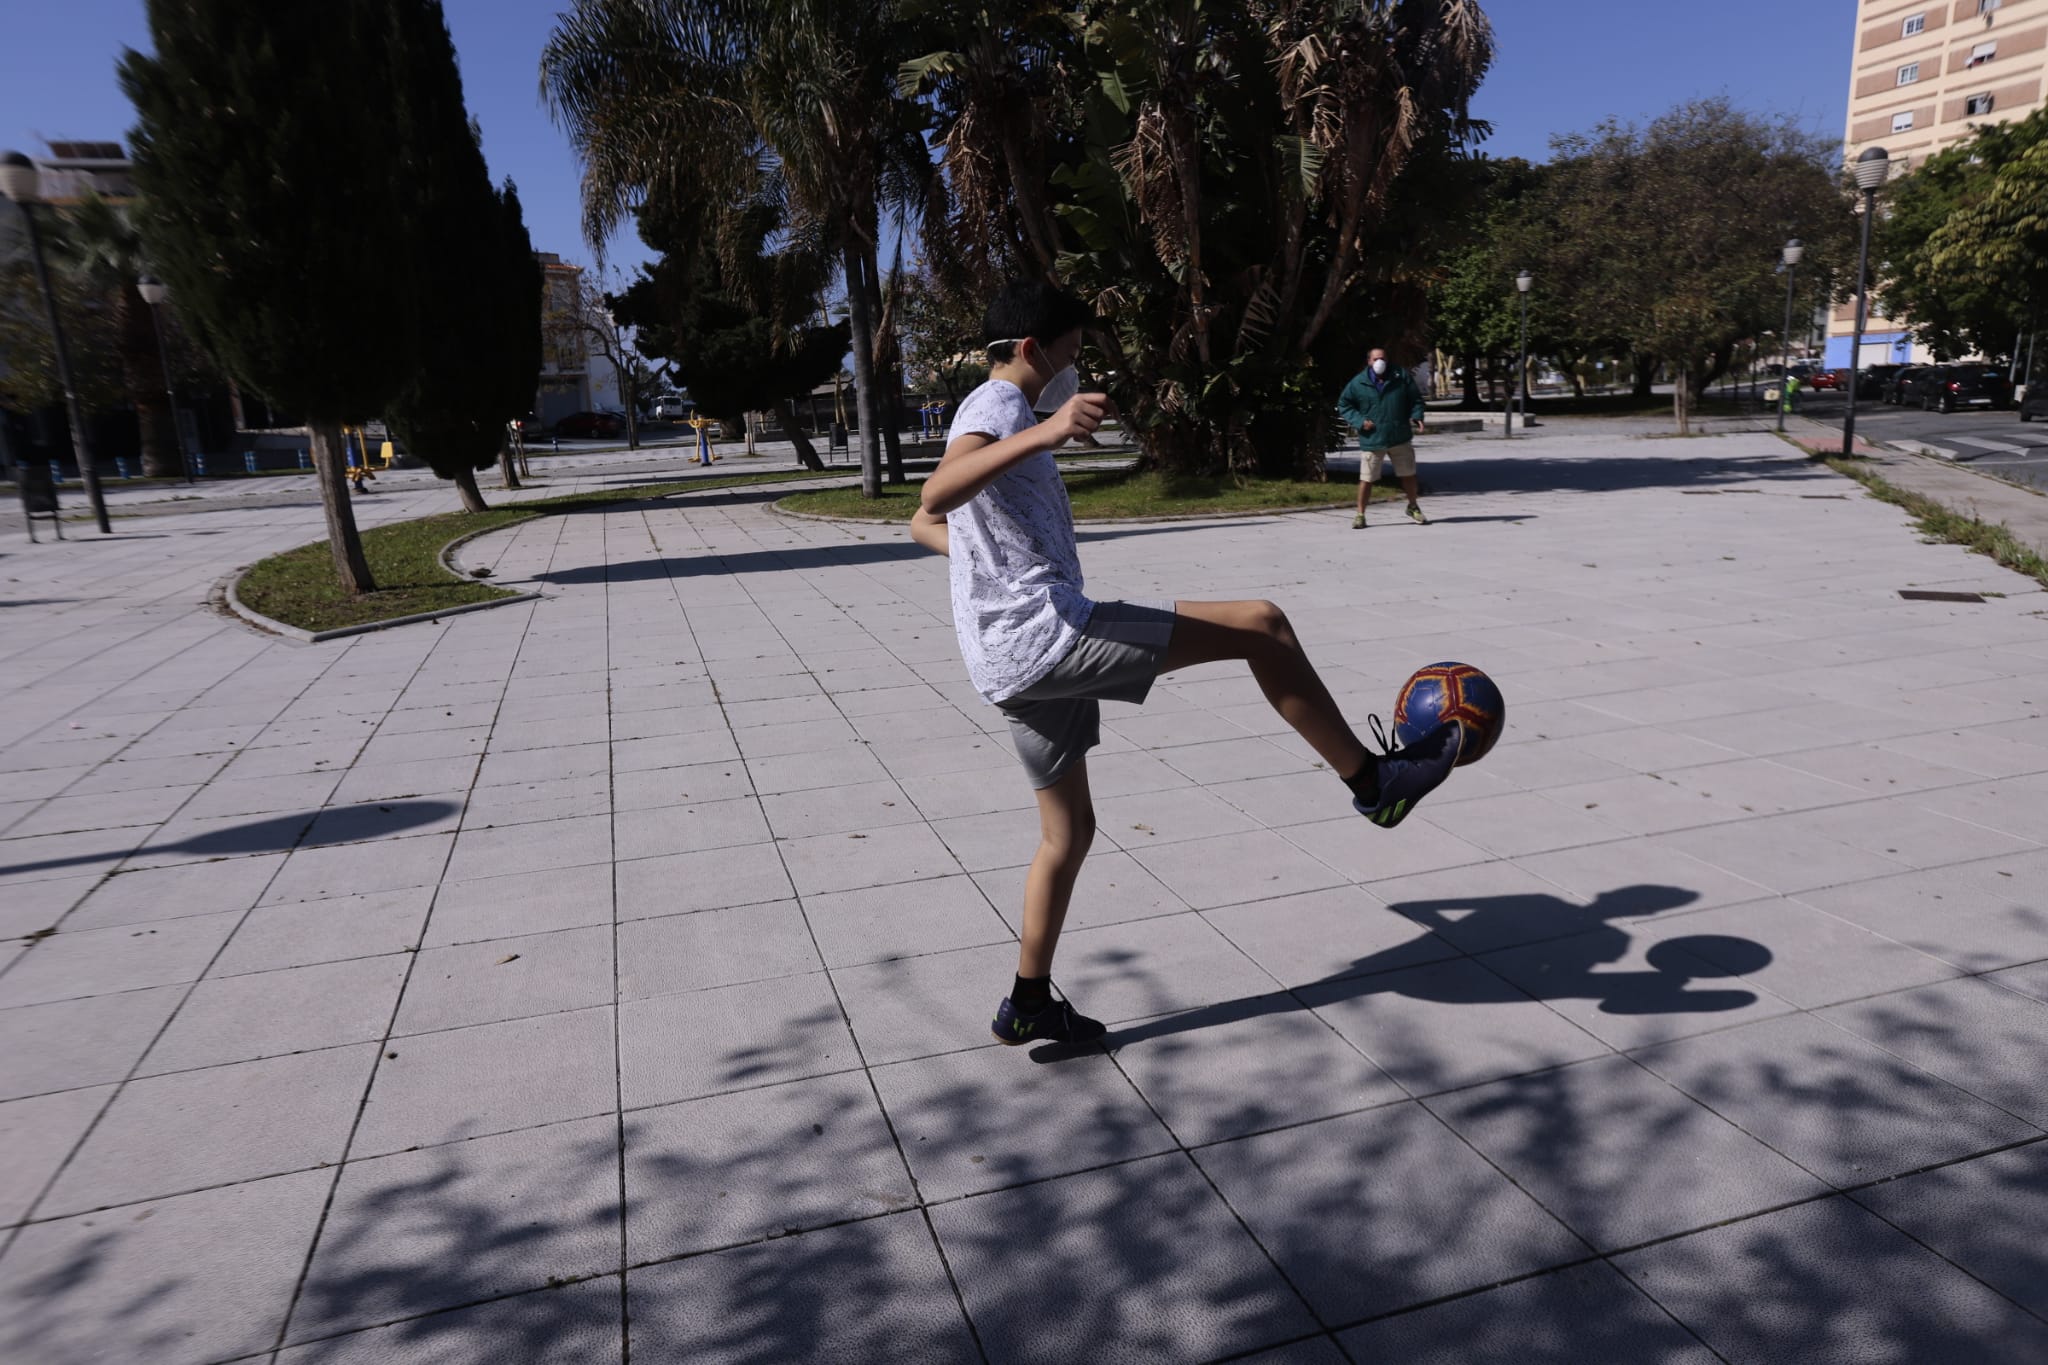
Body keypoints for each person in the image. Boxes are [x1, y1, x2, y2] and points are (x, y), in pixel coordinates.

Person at [907, 280, 1464, 1047]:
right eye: (1071, 352)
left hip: (1006, 662)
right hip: (1049, 637)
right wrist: (1049, 431)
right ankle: (1374, 784)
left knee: (1066, 835)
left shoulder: (985, 410)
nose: (1077, 368)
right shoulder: (1003, 410)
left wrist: (985, 570)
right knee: (1263, 625)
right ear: (1034, 349)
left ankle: (1028, 1000)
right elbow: (936, 493)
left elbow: (922, 525)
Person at [1338, 348, 1428, 529]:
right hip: (1373, 439)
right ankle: (1360, 514)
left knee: (1408, 475)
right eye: (1376, 359)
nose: (1380, 362)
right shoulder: (1358, 383)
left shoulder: (1400, 376)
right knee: (1367, 478)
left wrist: (1417, 416)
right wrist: (1360, 421)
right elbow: (1344, 404)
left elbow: (1415, 399)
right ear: (1369, 361)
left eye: (1383, 358)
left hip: (1399, 436)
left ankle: (1413, 506)